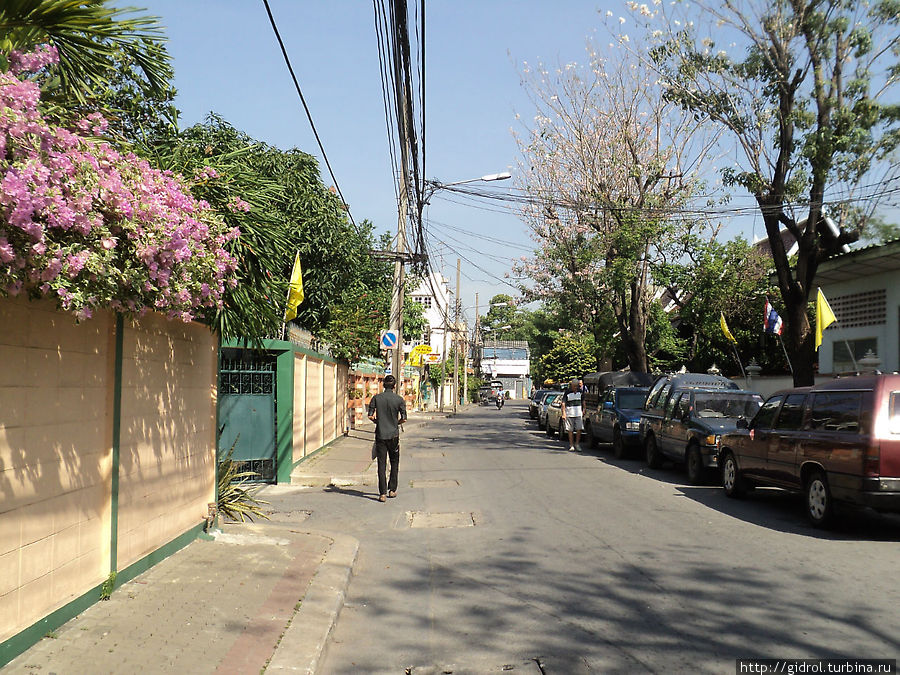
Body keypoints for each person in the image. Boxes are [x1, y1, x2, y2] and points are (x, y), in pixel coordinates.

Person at [367, 374, 407, 502]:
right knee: (394, 462)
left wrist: (378, 422)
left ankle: (382, 493)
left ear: (383, 385)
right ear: (395, 386)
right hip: (394, 435)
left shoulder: (376, 398)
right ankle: (392, 490)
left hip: (380, 435)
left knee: (381, 464)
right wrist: (396, 423)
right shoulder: (399, 400)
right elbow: (404, 418)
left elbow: (370, 416)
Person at [561, 378, 584, 452]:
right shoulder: (567, 392)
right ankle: (571, 445)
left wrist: (584, 409)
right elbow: (563, 403)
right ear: (572, 386)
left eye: (577, 386)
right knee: (570, 430)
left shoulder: (580, 392)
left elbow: (583, 401)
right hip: (569, 413)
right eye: (574, 386)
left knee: (579, 429)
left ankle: (577, 444)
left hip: (578, 413)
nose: (575, 387)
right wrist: (564, 413)